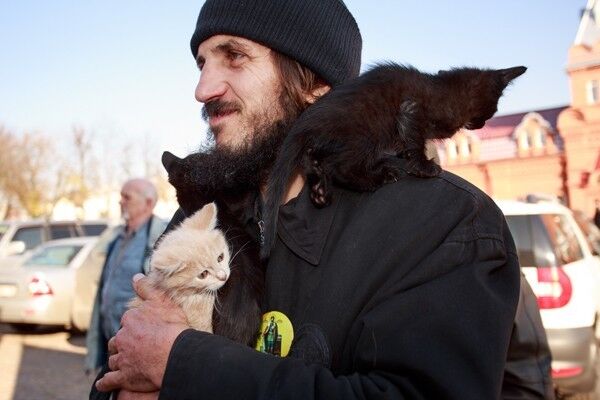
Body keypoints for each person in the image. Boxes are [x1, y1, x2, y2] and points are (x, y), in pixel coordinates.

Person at [95, 1, 521, 399]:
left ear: (316, 85)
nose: (203, 89)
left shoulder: (446, 225)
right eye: (202, 62)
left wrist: (183, 364)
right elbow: (125, 363)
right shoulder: (203, 218)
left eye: (235, 56)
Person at [85, 178, 167, 374]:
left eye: (126, 197)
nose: (120, 202)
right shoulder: (117, 237)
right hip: (109, 339)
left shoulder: (161, 238)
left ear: (148, 203)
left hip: (136, 344)